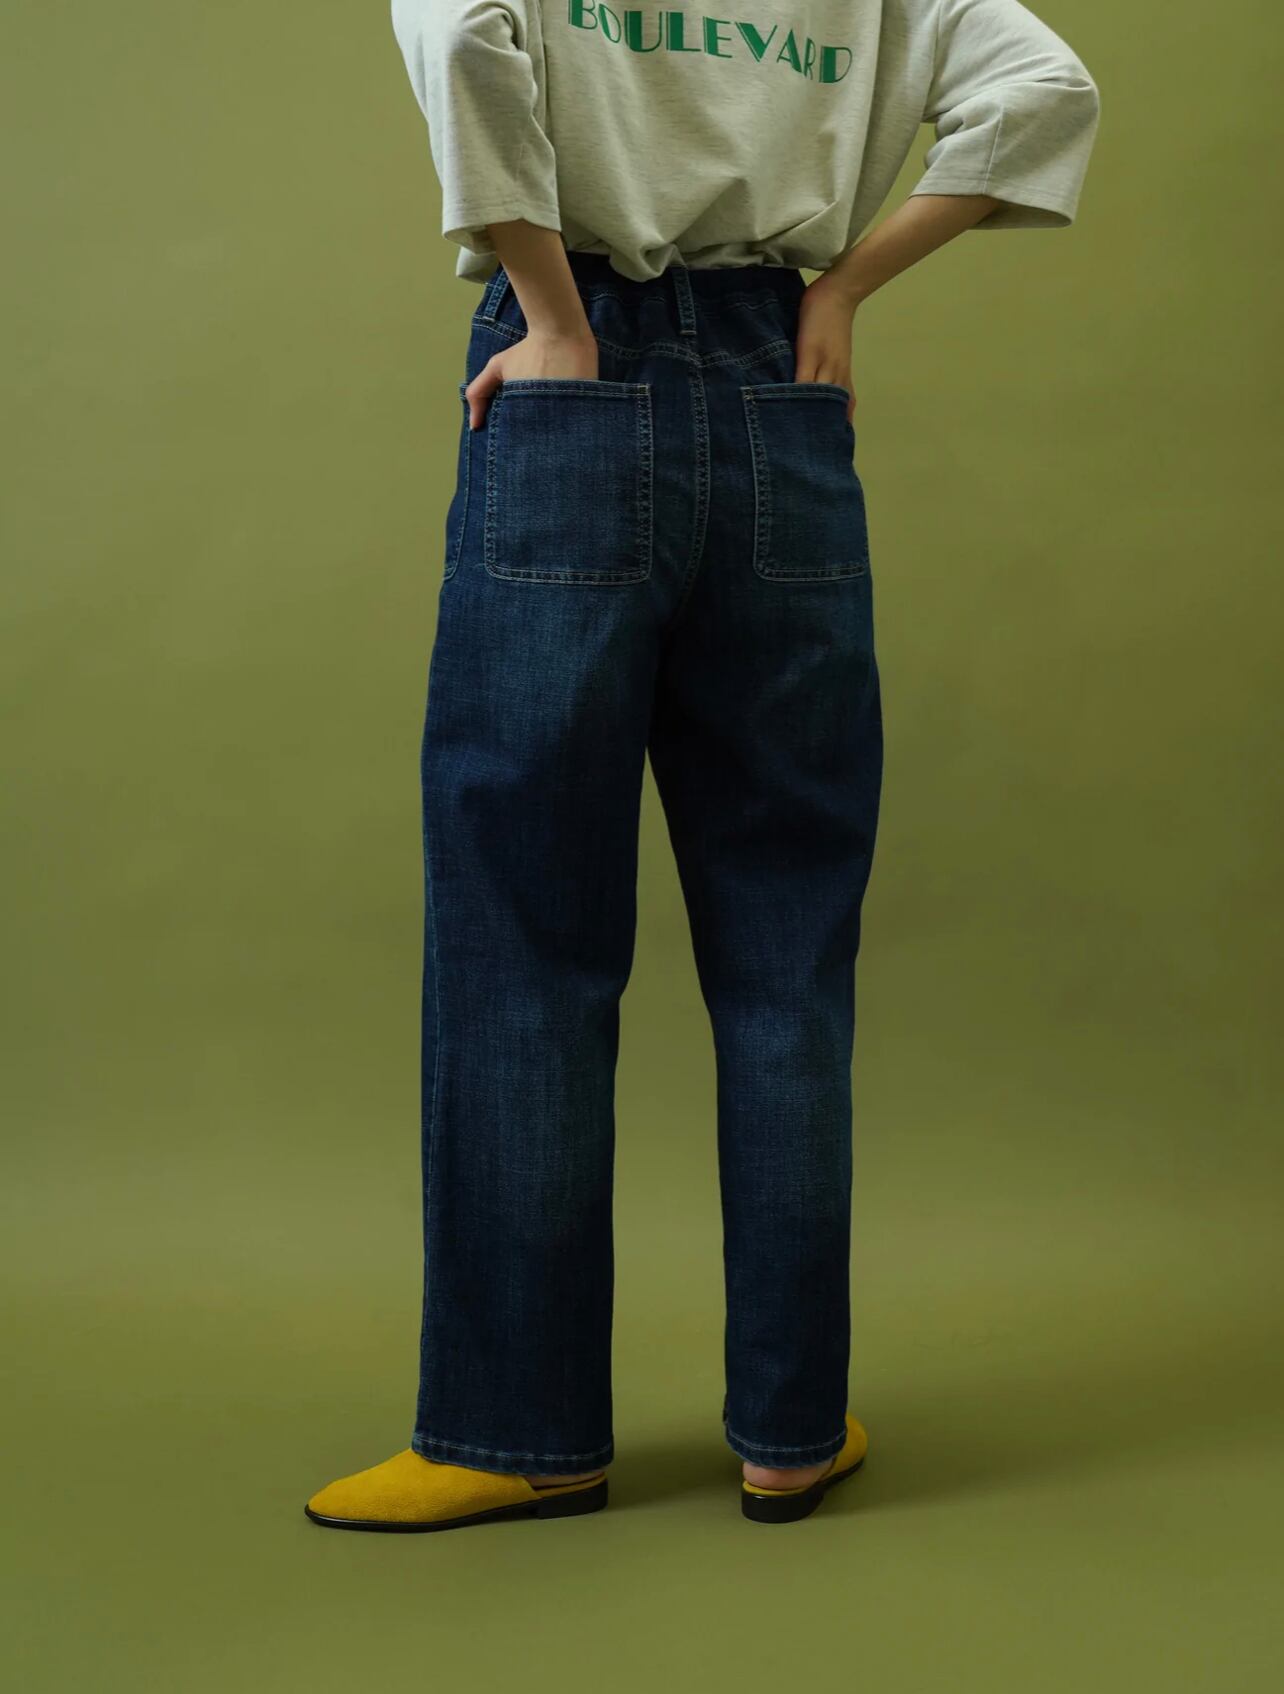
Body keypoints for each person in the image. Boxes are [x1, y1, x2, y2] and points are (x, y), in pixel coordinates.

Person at [305, 0, 1100, 1533]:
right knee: (788, 953)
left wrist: (551, 311)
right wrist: (846, 284)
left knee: (524, 941)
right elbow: (1047, 87)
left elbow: (465, 33)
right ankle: (790, 1429)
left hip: (574, 379)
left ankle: (516, 1432)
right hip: (778, 382)